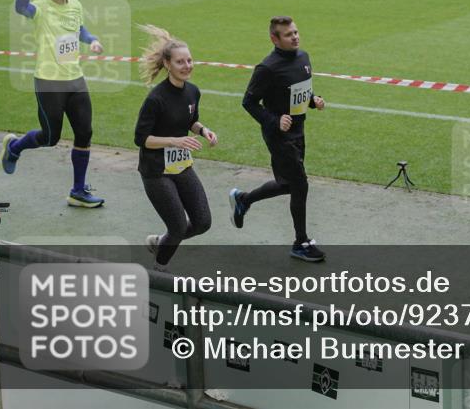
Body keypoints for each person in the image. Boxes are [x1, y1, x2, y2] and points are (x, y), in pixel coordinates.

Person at [0, 0, 105, 207]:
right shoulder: (40, 7)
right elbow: (20, 7)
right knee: (50, 138)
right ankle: (14, 147)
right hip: (48, 82)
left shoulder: (75, 5)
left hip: (75, 79)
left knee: (85, 133)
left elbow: (79, 29)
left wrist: (92, 40)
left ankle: (78, 191)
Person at [231, 16, 326, 262]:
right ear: (274, 39)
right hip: (278, 136)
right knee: (300, 185)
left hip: (299, 130)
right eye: (288, 34)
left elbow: (299, 90)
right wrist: (274, 121)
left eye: (295, 32)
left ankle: (243, 199)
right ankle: (300, 243)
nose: (295, 37)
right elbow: (249, 102)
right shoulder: (267, 68)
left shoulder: (303, 57)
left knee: (287, 185)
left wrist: (313, 101)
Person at [134, 25, 215, 271]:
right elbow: (141, 138)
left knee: (202, 222)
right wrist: (173, 141)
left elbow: (190, 121)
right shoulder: (156, 99)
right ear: (168, 65)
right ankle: (160, 268)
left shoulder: (193, 92)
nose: (187, 65)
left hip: (180, 165)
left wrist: (203, 130)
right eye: (180, 62)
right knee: (178, 226)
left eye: (189, 60)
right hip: (156, 170)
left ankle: (161, 243)